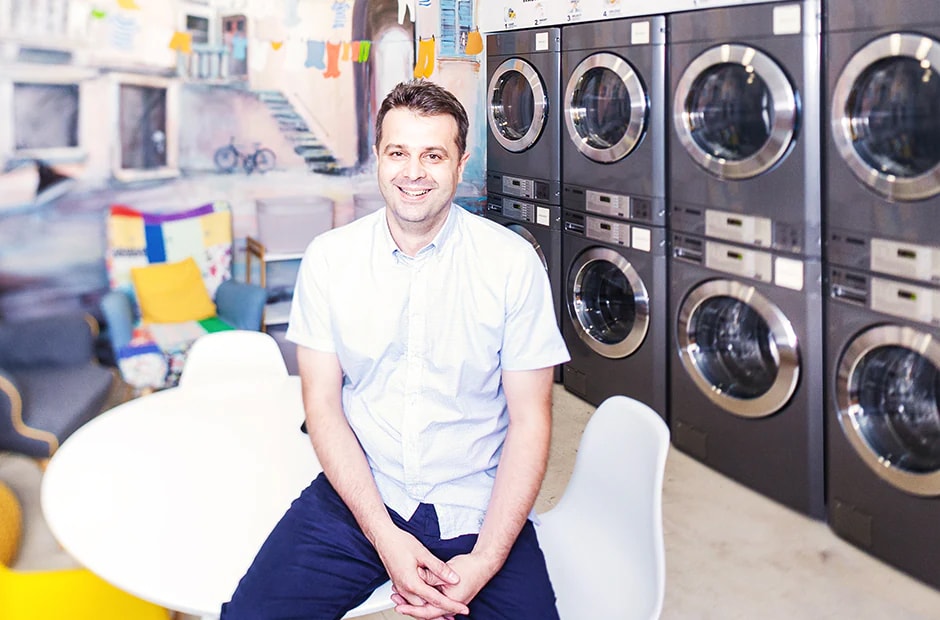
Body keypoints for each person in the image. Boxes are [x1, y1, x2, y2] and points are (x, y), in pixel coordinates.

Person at [221, 79, 569, 620]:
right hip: (362, 495)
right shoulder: (330, 259)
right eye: (398, 152)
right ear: (378, 159)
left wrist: (484, 562)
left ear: (461, 163)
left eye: (433, 154)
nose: (413, 172)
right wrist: (385, 537)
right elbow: (323, 408)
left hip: (477, 505)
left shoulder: (511, 264)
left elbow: (531, 421)